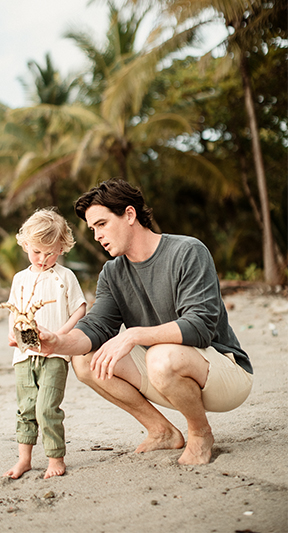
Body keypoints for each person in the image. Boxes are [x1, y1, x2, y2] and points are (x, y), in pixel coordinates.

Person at [38, 178, 253, 465]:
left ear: (129, 214)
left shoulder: (188, 251)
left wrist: (133, 335)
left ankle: (200, 434)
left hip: (224, 372)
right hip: (165, 372)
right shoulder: (112, 273)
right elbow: (96, 327)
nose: (97, 236)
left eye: (102, 224)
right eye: (92, 229)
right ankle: (161, 430)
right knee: (85, 361)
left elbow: (200, 327)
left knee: (160, 355)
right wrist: (57, 342)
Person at [4, 208, 86, 479]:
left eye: (50, 252)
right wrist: (13, 334)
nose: (43, 259)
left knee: (46, 407)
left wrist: (61, 337)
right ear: (26, 244)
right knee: (26, 407)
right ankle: (24, 459)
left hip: (55, 355)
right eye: (37, 251)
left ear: (62, 247)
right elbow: (14, 310)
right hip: (24, 355)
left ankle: (55, 458)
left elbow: (80, 308)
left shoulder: (65, 277)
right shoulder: (19, 279)